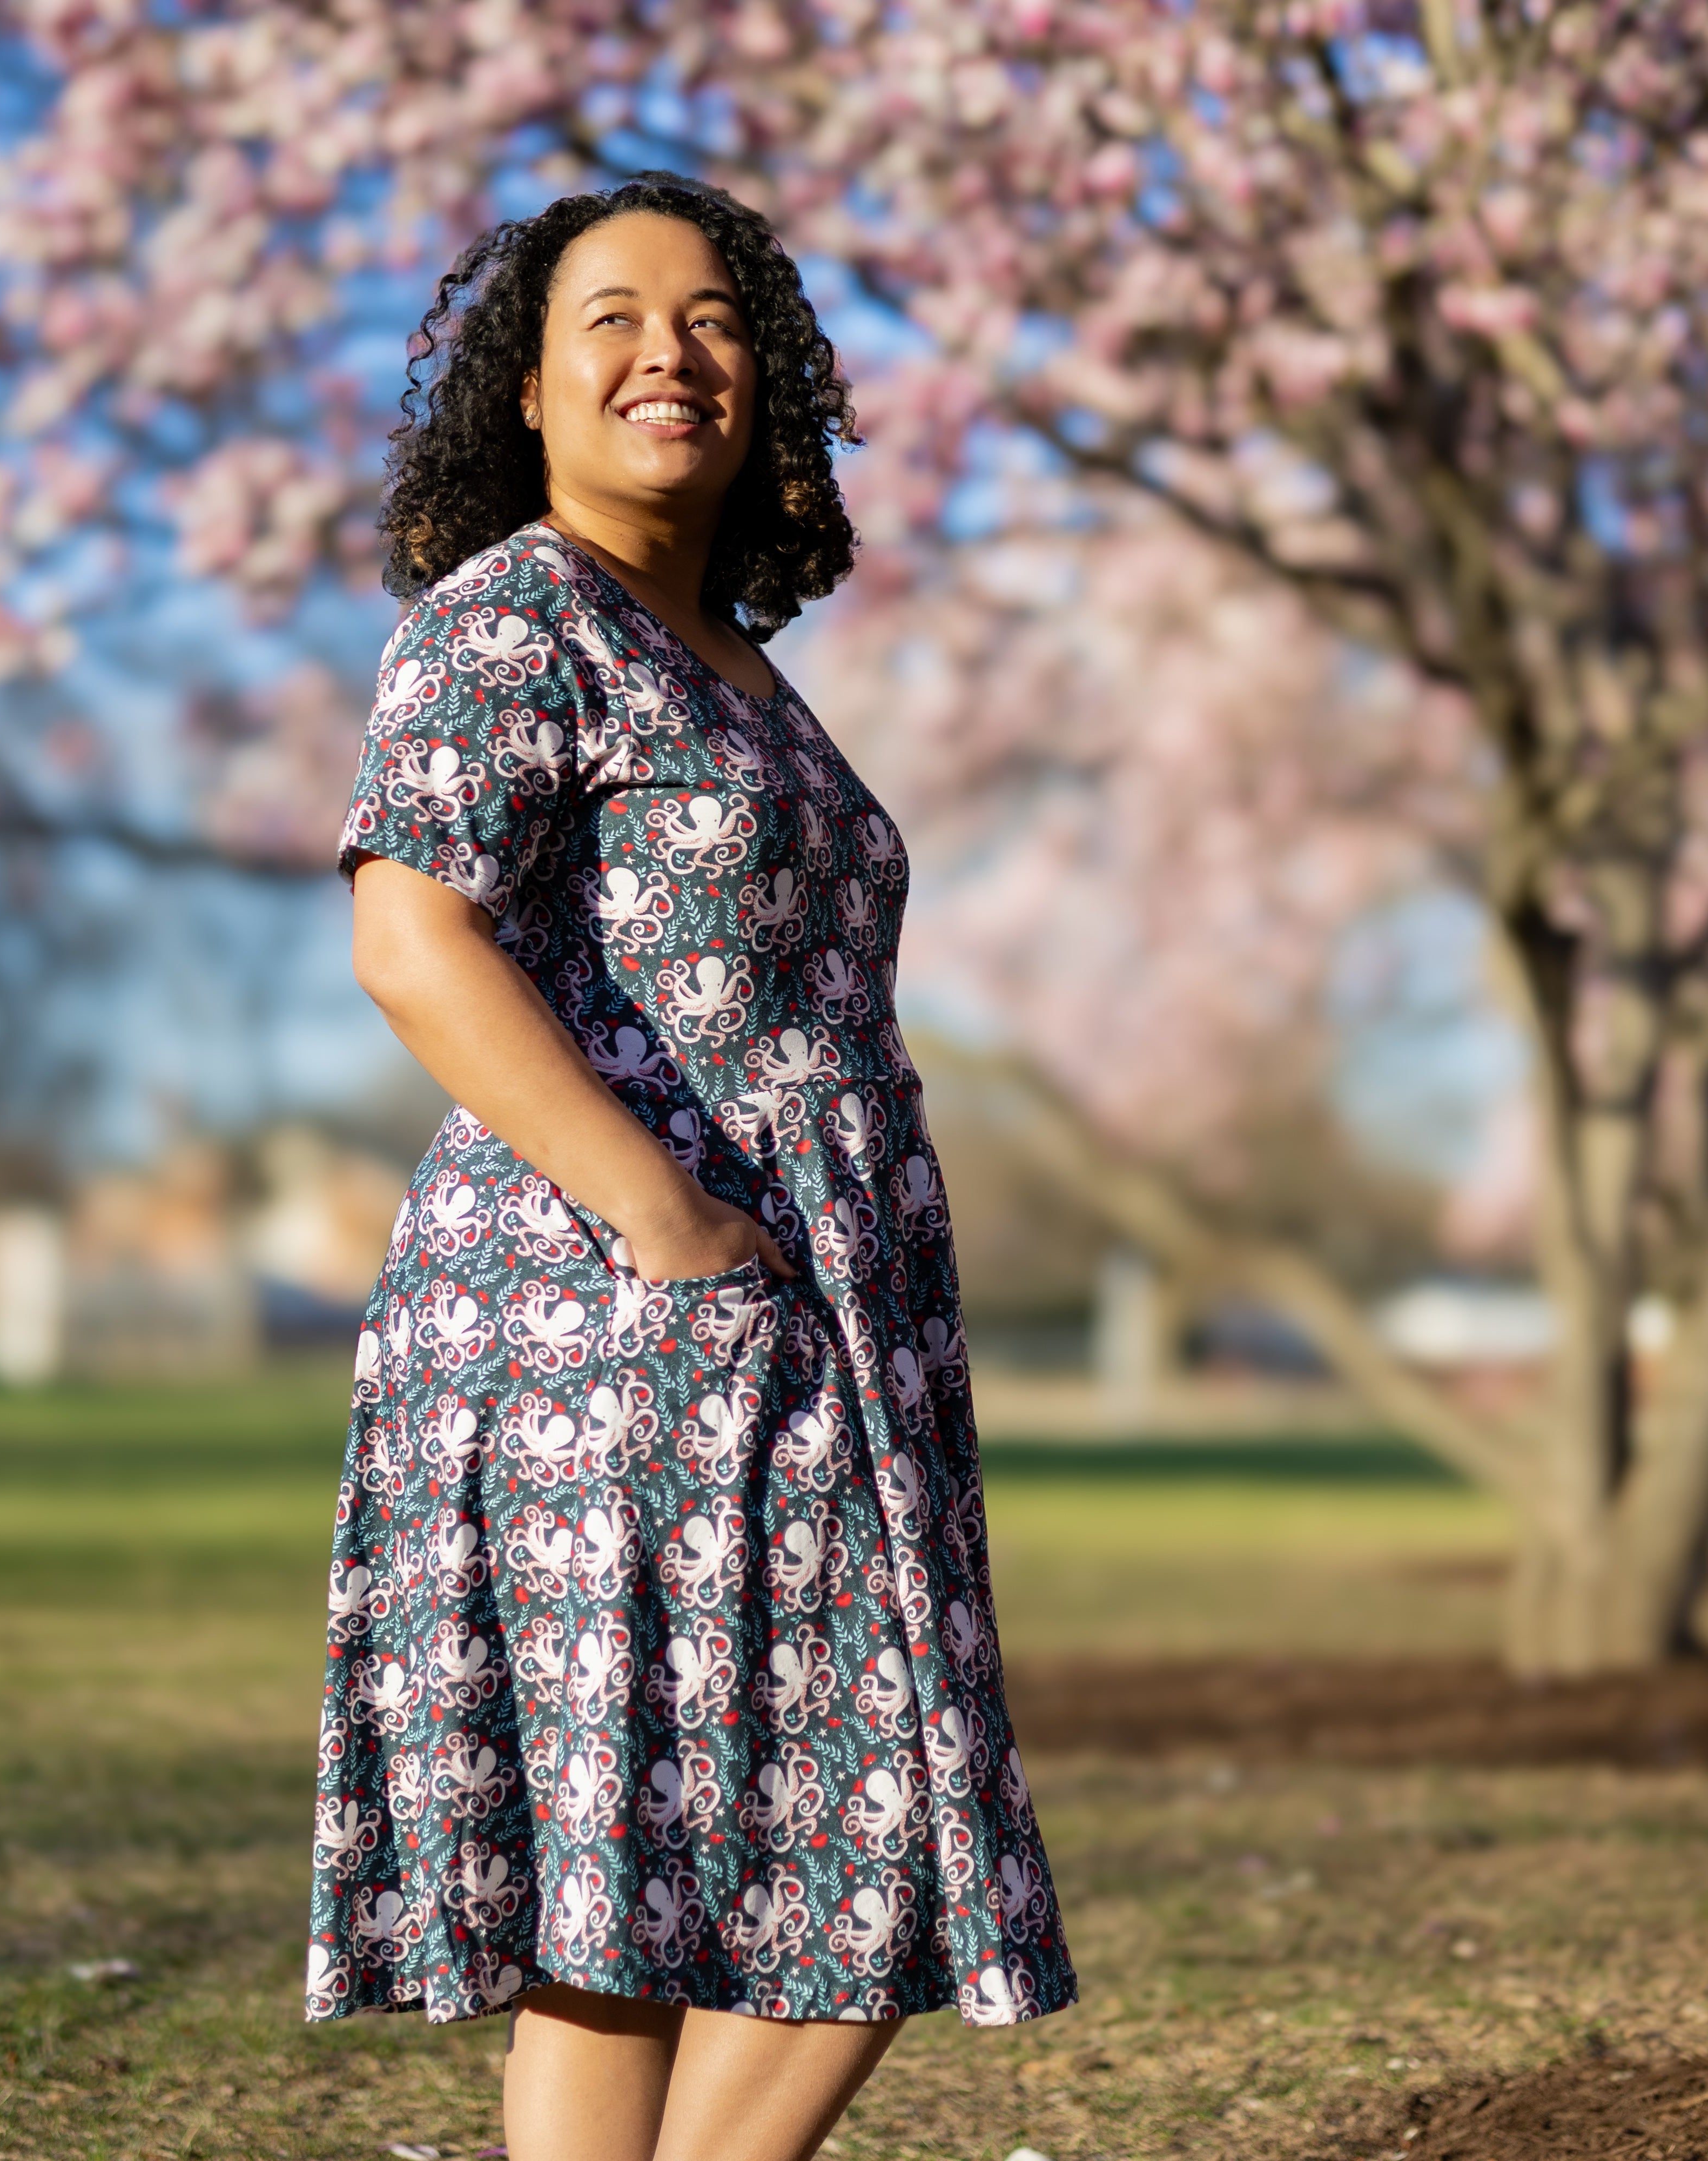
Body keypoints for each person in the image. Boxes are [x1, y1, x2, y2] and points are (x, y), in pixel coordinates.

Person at [306, 171, 1076, 2161]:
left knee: (635, 1887)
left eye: (719, 319)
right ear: (532, 398)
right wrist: (664, 1221)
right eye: (615, 320)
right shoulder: (515, 612)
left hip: (792, 1305)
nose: (674, 352)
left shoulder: (719, 653)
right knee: (870, 1813)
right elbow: (412, 935)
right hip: (620, 1313)